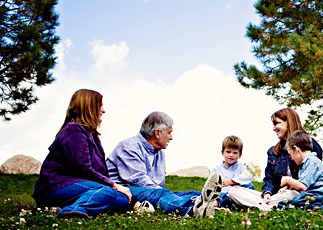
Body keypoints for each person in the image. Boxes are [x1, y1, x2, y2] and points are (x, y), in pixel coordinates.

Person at [33, 89, 133, 219]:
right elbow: (82, 169)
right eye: (100, 106)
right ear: (89, 107)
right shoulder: (73, 130)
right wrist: (113, 185)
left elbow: (98, 171)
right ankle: (72, 210)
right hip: (55, 187)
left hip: (81, 187)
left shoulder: (93, 135)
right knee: (107, 191)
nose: (103, 111)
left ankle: (70, 205)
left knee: (122, 199)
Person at [105, 111, 222, 217]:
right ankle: (192, 208)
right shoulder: (128, 146)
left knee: (192, 193)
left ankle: (203, 202)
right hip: (124, 191)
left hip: (151, 191)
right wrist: (167, 194)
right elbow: (139, 181)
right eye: (169, 133)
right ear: (157, 133)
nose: (171, 138)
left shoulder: (159, 152)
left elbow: (156, 184)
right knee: (163, 194)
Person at [227, 108, 323, 211]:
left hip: (297, 194)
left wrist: (290, 186)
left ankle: (263, 206)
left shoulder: (311, 146)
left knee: (290, 195)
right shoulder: (273, 152)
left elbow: (309, 180)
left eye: (276, 123)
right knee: (234, 191)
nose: (273, 128)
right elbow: (269, 179)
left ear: (289, 122)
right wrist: (267, 193)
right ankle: (268, 206)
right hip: (276, 196)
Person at [275, 130, 323, 210]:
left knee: (298, 201)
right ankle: (291, 206)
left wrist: (288, 179)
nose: (292, 158)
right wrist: (291, 186)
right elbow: (306, 185)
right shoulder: (305, 165)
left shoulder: (312, 161)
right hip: (316, 194)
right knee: (285, 203)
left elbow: (303, 187)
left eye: (290, 155)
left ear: (296, 149)